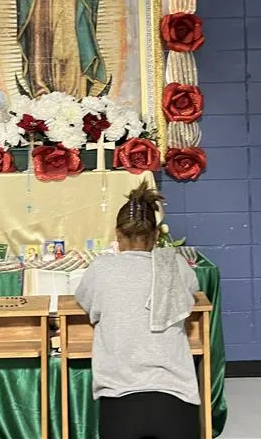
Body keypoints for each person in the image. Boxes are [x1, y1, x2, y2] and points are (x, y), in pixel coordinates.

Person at [74, 181, 201, 439]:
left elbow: (87, 303)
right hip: (176, 397)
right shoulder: (173, 264)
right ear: (156, 236)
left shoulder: (102, 268)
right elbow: (193, 290)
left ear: (118, 236)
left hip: (120, 398)